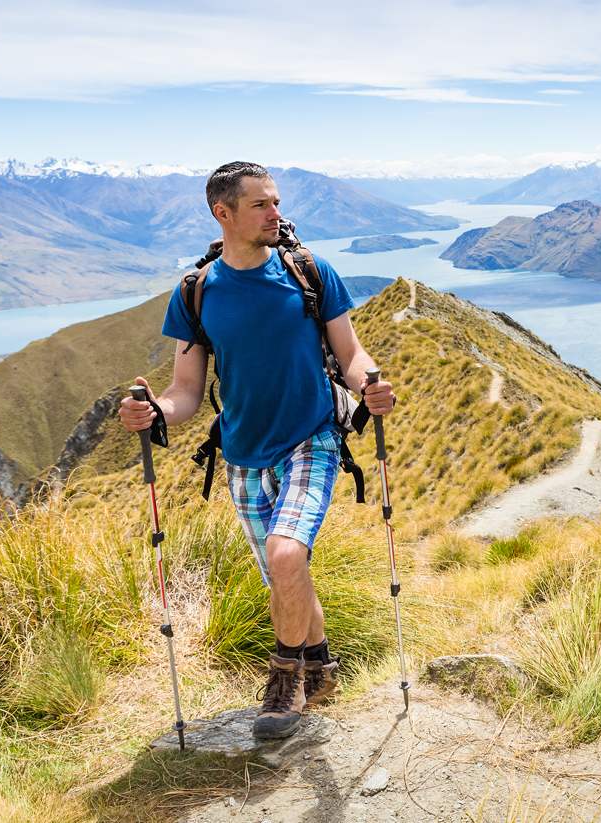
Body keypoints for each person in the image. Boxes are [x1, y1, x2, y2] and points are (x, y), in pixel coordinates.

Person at [118, 161, 395, 740]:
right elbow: (186, 394)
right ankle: (321, 668)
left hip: (311, 438)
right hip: (242, 454)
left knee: (287, 557)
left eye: (275, 202)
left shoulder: (311, 273)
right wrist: (153, 414)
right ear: (223, 214)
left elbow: (351, 353)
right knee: (284, 577)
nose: (277, 214)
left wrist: (371, 384)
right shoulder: (195, 294)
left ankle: (284, 682)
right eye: (260, 206)